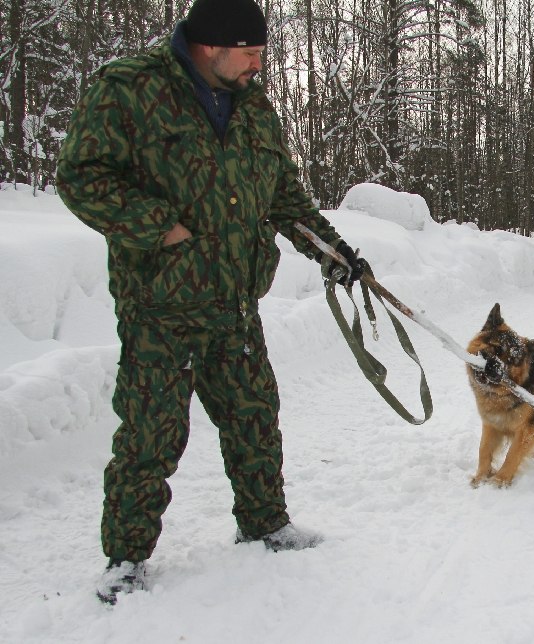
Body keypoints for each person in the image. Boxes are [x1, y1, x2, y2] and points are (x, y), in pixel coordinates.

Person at [56, 0, 365, 604]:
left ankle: (265, 523)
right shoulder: (131, 88)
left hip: (234, 301)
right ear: (210, 46)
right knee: (151, 434)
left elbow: (286, 198)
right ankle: (126, 558)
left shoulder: (253, 106)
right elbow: (81, 177)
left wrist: (336, 253)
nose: (258, 64)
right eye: (250, 52)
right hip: (159, 304)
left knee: (254, 415)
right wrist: (158, 225)